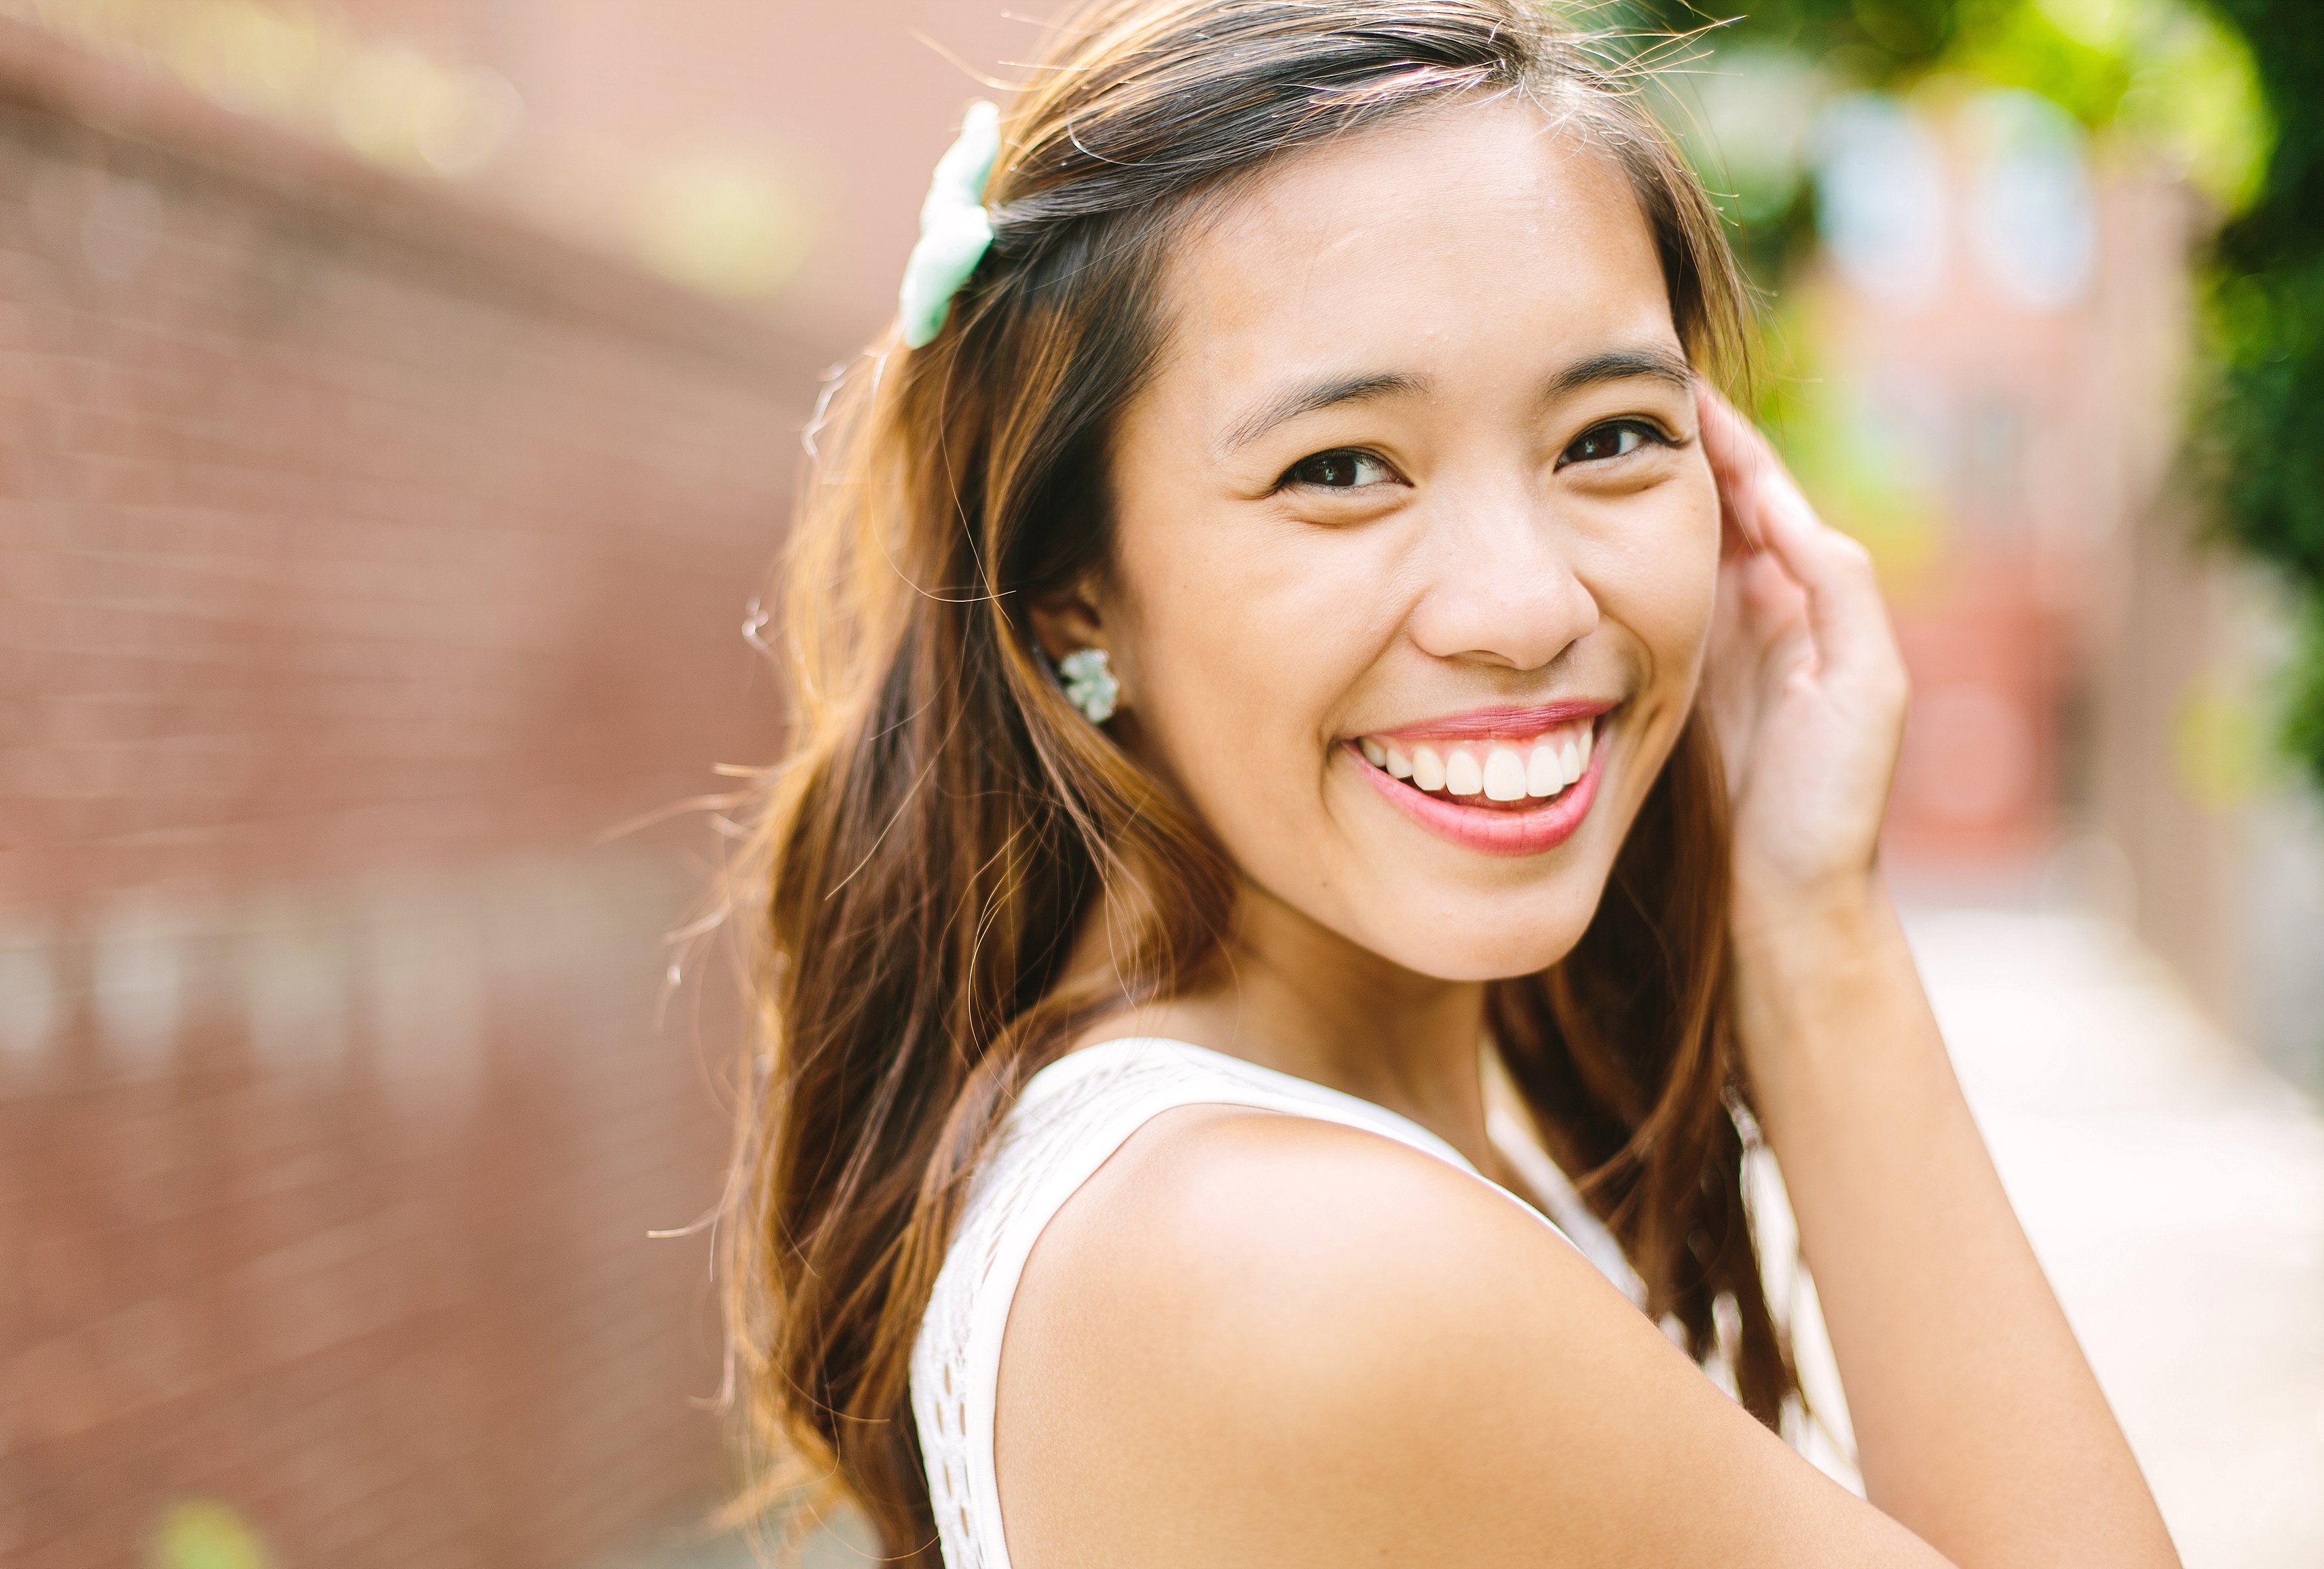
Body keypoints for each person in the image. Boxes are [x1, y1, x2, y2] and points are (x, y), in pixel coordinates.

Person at [722, 3, 2181, 1566]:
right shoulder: (1297, 1260)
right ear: (1076, 591)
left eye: (1609, 436)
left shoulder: (1294, 1172)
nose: (1527, 604)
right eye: (1341, 468)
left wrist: (1804, 900)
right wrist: (1823, 959)